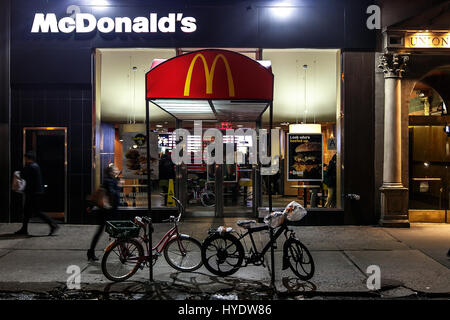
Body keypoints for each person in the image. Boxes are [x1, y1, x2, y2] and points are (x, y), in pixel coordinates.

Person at [15, 151, 59, 236]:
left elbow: (23, 175)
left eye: (25, 158)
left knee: (36, 211)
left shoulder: (31, 166)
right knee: (27, 211)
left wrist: (19, 172)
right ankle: (24, 229)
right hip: (34, 192)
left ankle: (53, 224)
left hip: (33, 193)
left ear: (28, 158)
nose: (24, 159)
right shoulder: (35, 166)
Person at [87, 164, 121, 261]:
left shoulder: (110, 180)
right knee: (118, 231)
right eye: (115, 169)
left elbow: (99, 194)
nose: (117, 170)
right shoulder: (109, 181)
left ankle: (91, 252)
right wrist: (118, 186)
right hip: (107, 212)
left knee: (115, 231)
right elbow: (110, 193)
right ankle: (91, 252)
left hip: (108, 211)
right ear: (111, 172)